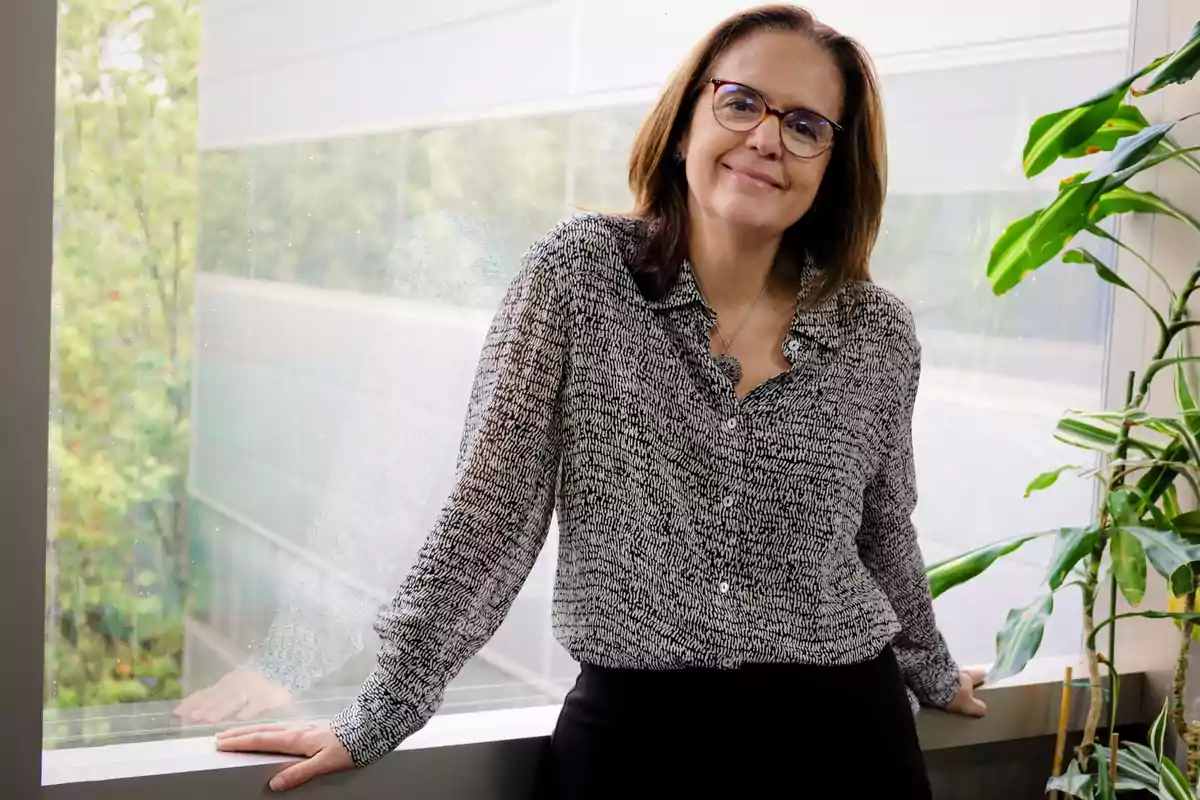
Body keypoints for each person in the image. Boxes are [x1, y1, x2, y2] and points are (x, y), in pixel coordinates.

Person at [215, 4, 988, 796]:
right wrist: (384, 706)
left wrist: (931, 669)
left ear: (832, 165)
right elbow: (491, 511)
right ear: (686, 122)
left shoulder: (876, 330)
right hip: (636, 747)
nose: (766, 138)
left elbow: (885, 528)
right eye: (742, 103)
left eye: (805, 125)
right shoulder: (580, 276)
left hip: (845, 742)